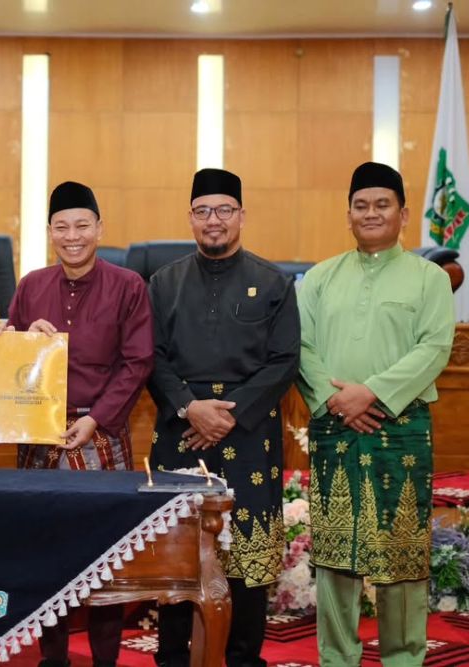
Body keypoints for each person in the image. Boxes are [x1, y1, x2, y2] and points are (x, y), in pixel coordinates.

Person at [296, 161, 454, 667]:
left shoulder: (430, 278)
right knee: (336, 553)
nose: (371, 213)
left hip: (400, 426)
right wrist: (336, 399)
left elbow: (435, 347)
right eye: (361, 206)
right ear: (348, 215)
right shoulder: (319, 278)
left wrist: (375, 395)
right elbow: (298, 346)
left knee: (401, 552)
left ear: (403, 214)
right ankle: (337, 656)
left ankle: (404, 656)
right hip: (333, 424)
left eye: (382, 204)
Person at [148, 168, 300, 667]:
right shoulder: (162, 283)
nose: (214, 221)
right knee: (177, 553)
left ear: (241, 216)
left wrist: (229, 416)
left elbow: (284, 361)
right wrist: (191, 406)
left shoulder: (273, 282)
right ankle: (172, 658)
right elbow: (151, 357)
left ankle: (241, 658)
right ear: (190, 217)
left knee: (248, 558)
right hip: (181, 431)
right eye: (203, 211)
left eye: (224, 211)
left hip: (249, 433)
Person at [6, 181, 154, 667]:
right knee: (45, 554)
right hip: (40, 437)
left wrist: (96, 418)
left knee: (105, 558)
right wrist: (20, 337)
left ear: (99, 228)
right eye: (62, 227)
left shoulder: (129, 286)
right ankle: (53, 659)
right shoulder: (30, 286)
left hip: (101, 434)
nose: (73, 236)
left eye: (82, 226)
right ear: (49, 231)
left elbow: (137, 362)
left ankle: (105, 660)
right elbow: (11, 356)